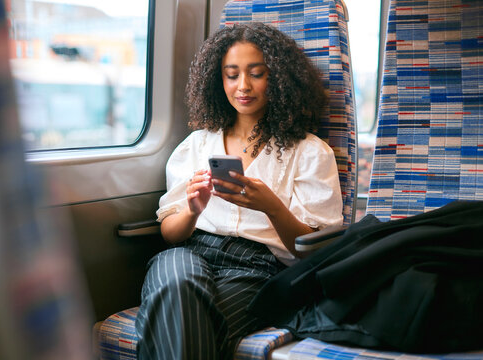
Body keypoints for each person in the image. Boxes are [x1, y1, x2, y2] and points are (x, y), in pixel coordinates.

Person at [135, 22, 344, 360]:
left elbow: (314, 251)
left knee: (181, 319)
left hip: (257, 269)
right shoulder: (198, 144)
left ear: (277, 78)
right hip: (190, 252)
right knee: (176, 282)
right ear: (218, 81)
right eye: (231, 75)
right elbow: (171, 235)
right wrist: (192, 209)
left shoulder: (309, 152)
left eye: (256, 74)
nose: (242, 86)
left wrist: (271, 207)